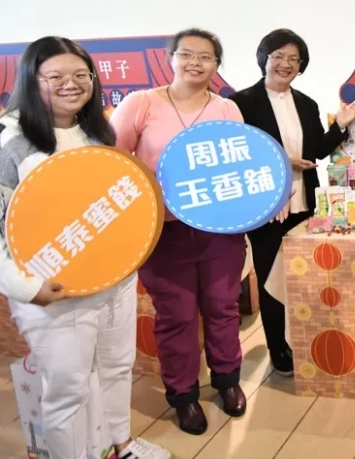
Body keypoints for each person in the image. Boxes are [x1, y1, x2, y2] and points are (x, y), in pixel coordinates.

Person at [0, 37, 169, 459]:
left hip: (113, 283)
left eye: (81, 74)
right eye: (56, 76)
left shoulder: (97, 131)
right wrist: (26, 288)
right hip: (54, 291)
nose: (71, 84)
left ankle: (121, 444)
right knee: (68, 390)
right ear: (31, 79)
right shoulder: (2, 139)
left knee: (117, 368)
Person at [110, 29, 250, 436]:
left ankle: (227, 380)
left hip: (219, 231)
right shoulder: (141, 104)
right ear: (170, 58)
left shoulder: (226, 108)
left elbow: (242, 165)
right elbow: (114, 162)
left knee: (223, 308)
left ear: (217, 65)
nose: (195, 62)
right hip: (164, 233)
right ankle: (183, 395)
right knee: (177, 316)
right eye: (186, 54)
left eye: (206, 57)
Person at [228, 29, 355, 375]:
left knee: (304, 277)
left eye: (294, 59)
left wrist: (340, 127)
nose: (285, 64)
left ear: (301, 66)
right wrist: (281, 161)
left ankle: (303, 337)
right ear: (264, 59)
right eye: (278, 56)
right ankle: (278, 348)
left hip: (304, 205)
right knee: (272, 280)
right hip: (268, 207)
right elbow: (238, 154)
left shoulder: (306, 103)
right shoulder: (239, 103)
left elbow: (316, 152)